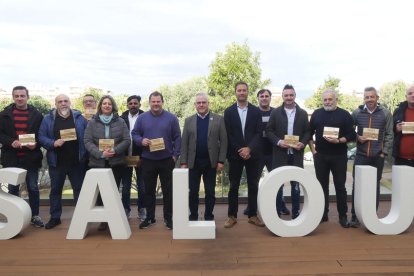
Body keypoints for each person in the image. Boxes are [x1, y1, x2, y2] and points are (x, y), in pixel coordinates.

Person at [132, 91, 181, 230]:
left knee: (168, 191)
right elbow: (134, 134)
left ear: (162, 102)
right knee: (149, 191)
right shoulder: (142, 118)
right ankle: (150, 217)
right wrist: (141, 141)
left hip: (167, 160)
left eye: (158, 101)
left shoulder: (171, 118)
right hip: (148, 160)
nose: (156, 104)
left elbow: (177, 137)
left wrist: (175, 155)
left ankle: (168, 218)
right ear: (149, 103)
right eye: (153, 101)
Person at [38, 94, 88, 229]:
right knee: (55, 191)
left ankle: (81, 217)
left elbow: (88, 135)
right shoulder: (48, 119)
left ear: (70, 102)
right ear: (56, 104)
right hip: (57, 162)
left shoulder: (79, 118)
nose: (63, 103)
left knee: (79, 190)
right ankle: (55, 217)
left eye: (66, 101)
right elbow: (41, 137)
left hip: (76, 162)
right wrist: (53, 143)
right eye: (60, 101)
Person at [309, 90, 356, 228]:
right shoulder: (317, 114)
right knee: (321, 186)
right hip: (321, 156)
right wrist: (313, 152)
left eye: (330, 99)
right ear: (322, 100)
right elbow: (309, 133)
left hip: (339, 156)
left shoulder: (344, 114)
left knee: (340, 187)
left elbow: (352, 134)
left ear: (336, 99)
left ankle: (342, 216)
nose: (327, 102)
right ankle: (322, 213)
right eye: (325, 100)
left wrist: (340, 140)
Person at [84, 95, 131, 231]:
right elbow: (87, 141)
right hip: (97, 162)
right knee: (100, 193)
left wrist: (115, 151)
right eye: (104, 103)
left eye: (109, 104)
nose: (106, 106)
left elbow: (127, 140)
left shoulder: (120, 121)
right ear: (100, 106)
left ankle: (115, 219)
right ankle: (104, 220)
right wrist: (100, 154)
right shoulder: (92, 122)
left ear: (113, 106)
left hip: (116, 162)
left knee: (114, 191)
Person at [0, 86, 45, 227]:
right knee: (13, 189)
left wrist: (36, 144)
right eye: (17, 96)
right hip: (11, 158)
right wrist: (10, 141)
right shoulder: (3, 114)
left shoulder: (37, 115)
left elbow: (41, 134)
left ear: (27, 97)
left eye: (22, 95)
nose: (20, 98)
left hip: (30, 157)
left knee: (33, 187)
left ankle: (35, 215)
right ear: (13, 97)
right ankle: (15, 215)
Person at [266, 84, 311, 219]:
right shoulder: (275, 112)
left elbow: (308, 131)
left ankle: (296, 212)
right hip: (280, 155)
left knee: (295, 185)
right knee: (278, 184)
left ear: (295, 96)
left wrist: (302, 143)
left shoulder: (302, 113)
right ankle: (277, 212)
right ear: (282, 97)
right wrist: (279, 142)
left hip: (296, 155)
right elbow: (269, 131)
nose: (289, 98)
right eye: (286, 95)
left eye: (291, 95)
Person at [180, 92, 227, 221]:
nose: (201, 105)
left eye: (203, 102)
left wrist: (221, 161)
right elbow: (184, 143)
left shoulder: (218, 119)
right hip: (193, 163)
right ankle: (193, 216)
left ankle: (208, 216)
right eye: (198, 103)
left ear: (208, 104)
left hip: (211, 162)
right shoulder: (188, 120)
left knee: (210, 192)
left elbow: (224, 142)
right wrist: (183, 162)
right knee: (193, 191)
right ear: (195, 105)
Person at [223, 81, 264, 228]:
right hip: (235, 155)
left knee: (253, 185)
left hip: (253, 154)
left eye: (244, 90)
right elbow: (228, 134)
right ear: (235, 92)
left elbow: (259, 133)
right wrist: (241, 149)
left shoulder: (256, 111)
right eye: (239, 90)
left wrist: (249, 149)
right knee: (233, 186)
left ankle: (253, 215)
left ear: (248, 92)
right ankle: (232, 216)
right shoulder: (228, 112)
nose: (241, 93)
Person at [350, 87, 393, 227]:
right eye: (367, 97)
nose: (369, 99)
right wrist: (357, 137)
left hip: (377, 156)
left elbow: (389, 135)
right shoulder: (357, 112)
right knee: (357, 185)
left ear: (377, 98)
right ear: (364, 98)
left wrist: (383, 153)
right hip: (361, 156)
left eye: (372, 97)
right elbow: (348, 130)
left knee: (375, 186)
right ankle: (355, 216)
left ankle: (372, 216)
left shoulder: (385, 113)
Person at [120, 95, 146, 221]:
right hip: (125, 157)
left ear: (139, 104)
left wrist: (143, 155)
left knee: (142, 186)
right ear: (127, 105)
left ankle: (142, 210)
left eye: (135, 103)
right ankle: (126, 209)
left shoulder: (146, 117)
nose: (133, 105)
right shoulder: (121, 118)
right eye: (130, 103)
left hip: (141, 157)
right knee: (125, 186)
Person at [393, 85, 414, 167]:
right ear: (406, 97)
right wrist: (396, 129)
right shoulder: (398, 111)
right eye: (410, 93)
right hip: (401, 158)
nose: (413, 95)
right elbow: (389, 131)